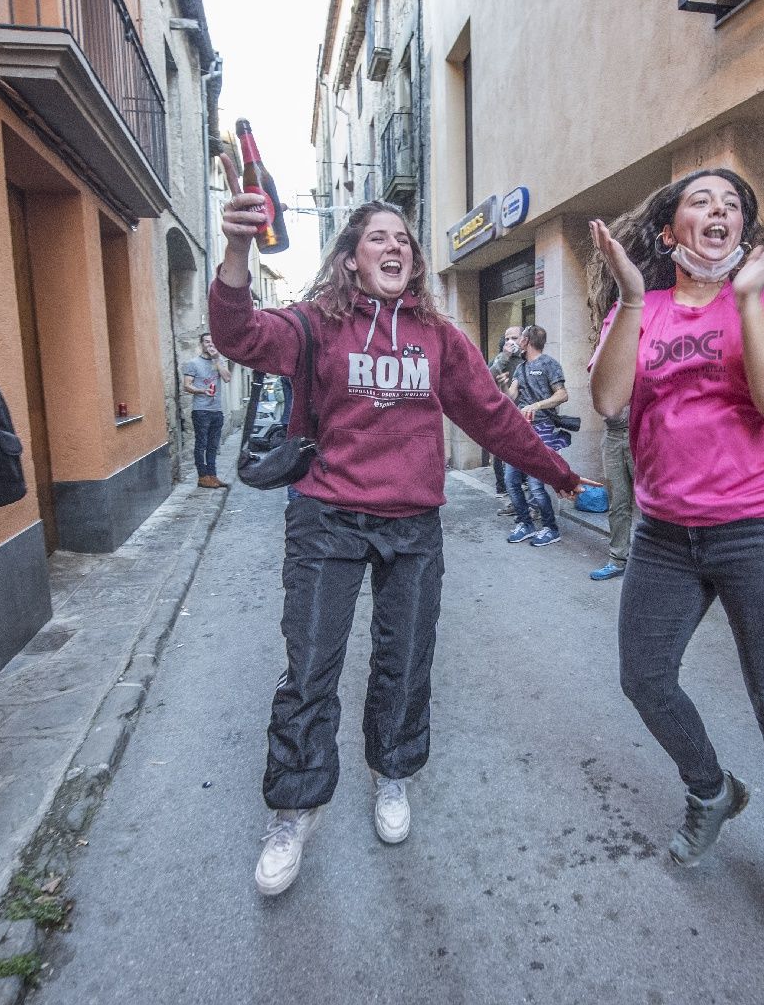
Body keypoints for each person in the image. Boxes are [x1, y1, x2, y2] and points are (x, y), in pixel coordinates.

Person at [211, 176, 587, 898]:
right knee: (312, 663)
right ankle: (295, 807)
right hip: (327, 518)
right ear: (350, 257)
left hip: (412, 523)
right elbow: (239, 335)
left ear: (413, 262)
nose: (395, 245)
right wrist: (234, 248)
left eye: (403, 239)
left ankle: (392, 774)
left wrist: (556, 471)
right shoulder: (317, 323)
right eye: (377, 236)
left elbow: (493, 416)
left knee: (405, 658)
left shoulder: (438, 338)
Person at [589, 168, 764, 942]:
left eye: (733, 205)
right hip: (667, 532)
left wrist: (754, 296)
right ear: (671, 231)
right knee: (645, 677)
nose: (719, 210)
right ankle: (710, 789)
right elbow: (605, 399)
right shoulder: (646, 307)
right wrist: (630, 299)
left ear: (744, 232)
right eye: (702, 200)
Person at [503, 325, 570, 548]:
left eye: (518, 337)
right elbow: (510, 396)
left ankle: (551, 528)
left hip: (543, 428)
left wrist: (537, 405)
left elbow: (562, 394)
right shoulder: (520, 368)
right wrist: (503, 383)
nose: (514, 340)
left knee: (535, 485)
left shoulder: (549, 364)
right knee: (511, 479)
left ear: (527, 340)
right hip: (521, 430)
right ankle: (526, 523)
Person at [589, 401, 637, 581]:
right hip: (612, 435)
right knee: (617, 502)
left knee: (652, 502)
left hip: (639, 431)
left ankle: (663, 562)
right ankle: (617, 560)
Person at [182, 332, 231, 488]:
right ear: (201, 344)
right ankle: (202, 477)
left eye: (212, 342)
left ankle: (212, 475)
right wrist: (202, 391)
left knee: (213, 445)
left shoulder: (219, 361)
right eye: (207, 342)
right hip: (201, 410)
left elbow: (227, 378)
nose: (210, 345)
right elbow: (187, 385)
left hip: (216, 410)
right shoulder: (193, 363)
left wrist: (217, 358)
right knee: (201, 444)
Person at [488, 327, 524, 502]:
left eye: (514, 338)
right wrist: (504, 356)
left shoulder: (527, 359)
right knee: (500, 452)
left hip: (523, 412)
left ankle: (519, 489)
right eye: (507, 338)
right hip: (502, 413)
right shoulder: (499, 359)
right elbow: (487, 378)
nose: (511, 341)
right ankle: (502, 486)